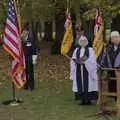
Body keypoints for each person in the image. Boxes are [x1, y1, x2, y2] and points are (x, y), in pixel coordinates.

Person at [70, 36, 98, 105]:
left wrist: (86, 62)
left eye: (84, 41)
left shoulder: (91, 50)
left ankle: (88, 100)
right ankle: (82, 100)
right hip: (79, 70)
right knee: (80, 84)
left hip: (88, 71)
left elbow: (93, 60)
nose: (83, 43)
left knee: (89, 84)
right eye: (81, 41)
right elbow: (73, 60)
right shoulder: (76, 50)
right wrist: (75, 61)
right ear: (79, 42)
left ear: (87, 42)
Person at [21, 24, 37, 91]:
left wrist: (34, 60)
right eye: (22, 32)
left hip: (30, 59)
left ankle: (31, 87)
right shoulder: (21, 41)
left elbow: (34, 51)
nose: (23, 33)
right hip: (23, 60)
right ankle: (25, 85)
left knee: (30, 73)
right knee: (24, 73)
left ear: (27, 32)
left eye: (24, 32)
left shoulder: (31, 40)